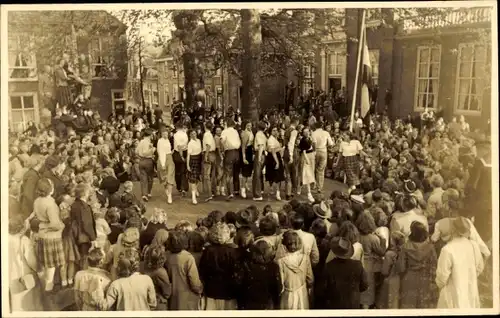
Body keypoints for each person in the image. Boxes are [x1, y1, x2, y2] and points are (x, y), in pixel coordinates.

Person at [436, 217, 484, 308]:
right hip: (470, 290)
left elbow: (441, 278)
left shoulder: (447, 249)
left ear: (453, 230)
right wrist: (469, 277)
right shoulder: (474, 245)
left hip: (452, 293)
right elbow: (480, 267)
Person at [30, 178, 66, 292]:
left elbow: (35, 215)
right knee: (51, 265)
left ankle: (45, 285)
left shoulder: (37, 201)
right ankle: (48, 288)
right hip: (52, 237)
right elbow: (55, 225)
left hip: (42, 236)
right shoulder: (51, 204)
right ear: (50, 189)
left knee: (45, 263)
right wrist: (62, 225)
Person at [316, 237, 368, 309]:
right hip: (353, 302)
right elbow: (364, 285)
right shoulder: (358, 265)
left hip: (335, 303)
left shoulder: (329, 266)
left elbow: (322, 289)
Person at [397, 221, 438, 309]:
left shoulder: (405, 247)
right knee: (423, 306)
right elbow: (434, 265)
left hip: (409, 279)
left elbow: (401, 267)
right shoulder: (430, 247)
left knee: (408, 306)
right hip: (425, 278)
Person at [8, 214, 44, 311]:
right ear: (21, 229)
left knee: (16, 306)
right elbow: (32, 262)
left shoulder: (6, 238)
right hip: (25, 279)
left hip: (11, 279)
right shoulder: (24, 240)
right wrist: (40, 271)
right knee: (29, 306)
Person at [199, 223, 239, 310]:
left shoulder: (208, 251)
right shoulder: (233, 251)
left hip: (212, 291)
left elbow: (202, 271)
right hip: (229, 292)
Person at [234, 240, 281, 310]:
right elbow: (276, 288)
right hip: (262, 302)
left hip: (251, 302)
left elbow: (238, 285)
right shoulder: (273, 266)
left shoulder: (245, 264)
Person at [165, 230, 203, 310]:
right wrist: (200, 289)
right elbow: (195, 282)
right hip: (188, 299)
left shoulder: (166, 256)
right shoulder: (188, 258)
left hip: (172, 297)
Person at [275, 231, 314, 310]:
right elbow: (310, 278)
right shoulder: (305, 258)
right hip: (302, 292)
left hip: (288, 293)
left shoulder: (281, 261)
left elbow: (281, 282)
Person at [70, 182, 97, 269]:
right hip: (84, 237)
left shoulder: (74, 204)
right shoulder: (84, 207)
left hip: (75, 235)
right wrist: (93, 239)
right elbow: (87, 224)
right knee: (85, 258)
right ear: (85, 193)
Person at [143, 245, 172, 310]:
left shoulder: (144, 267)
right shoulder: (161, 272)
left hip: (147, 301)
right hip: (159, 303)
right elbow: (167, 293)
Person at [220, 118, 241, 201]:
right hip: (237, 153)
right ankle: (236, 190)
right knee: (236, 172)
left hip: (229, 152)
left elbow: (222, 141)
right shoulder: (235, 131)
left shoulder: (225, 131)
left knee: (228, 173)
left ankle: (230, 193)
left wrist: (222, 150)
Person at [311, 122, 334, 194]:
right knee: (321, 170)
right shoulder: (326, 133)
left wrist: (314, 151)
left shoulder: (314, 133)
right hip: (323, 151)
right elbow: (331, 144)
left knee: (314, 168)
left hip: (316, 151)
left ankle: (314, 184)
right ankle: (319, 187)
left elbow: (313, 143)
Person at [265, 125, 286, 201]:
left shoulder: (276, 138)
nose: (275, 132)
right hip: (273, 157)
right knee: (275, 175)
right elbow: (273, 151)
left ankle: (277, 192)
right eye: (273, 130)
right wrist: (277, 162)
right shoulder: (271, 139)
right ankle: (274, 190)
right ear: (271, 132)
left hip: (277, 156)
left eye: (276, 130)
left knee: (278, 176)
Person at [135, 128, 155, 201]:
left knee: (143, 179)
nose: (153, 135)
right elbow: (145, 153)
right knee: (150, 178)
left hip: (141, 161)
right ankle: (148, 192)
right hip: (148, 161)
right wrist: (152, 149)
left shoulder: (141, 141)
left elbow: (136, 151)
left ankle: (144, 194)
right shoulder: (148, 143)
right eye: (152, 134)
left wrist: (140, 157)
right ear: (149, 135)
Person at [156, 126, 175, 204]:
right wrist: (163, 164)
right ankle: (166, 189)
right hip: (162, 159)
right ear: (161, 134)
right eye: (164, 133)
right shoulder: (160, 141)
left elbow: (167, 150)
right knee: (164, 177)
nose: (165, 135)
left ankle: (170, 195)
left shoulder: (168, 140)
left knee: (170, 177)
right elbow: (161, 153)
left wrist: (171, 152)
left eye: (166, 133)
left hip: (169, 158)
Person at [283, 118, 299, 200]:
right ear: (296, 122)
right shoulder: (294, 131)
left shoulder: (286, 130)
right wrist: (291, 155)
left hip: (285, 152)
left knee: (287, 172)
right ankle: (291, 192)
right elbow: (291, 143)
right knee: (293, 172)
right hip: (292, 152)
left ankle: (288, 192)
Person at [299, 126, 316, 202]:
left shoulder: (310, 138)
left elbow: (313, 147)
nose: (306, 133)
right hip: (306, 157)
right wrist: (307, 160)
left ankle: (300, 187)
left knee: (309, 174)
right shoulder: (303, 140)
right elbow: (303, 152)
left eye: (307, 131)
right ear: (303, 133)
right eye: (304, 132)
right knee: (307, 175)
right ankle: (309, 194)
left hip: (311, 156)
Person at [186, 129, 203, 205]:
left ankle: (196, 189)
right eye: (192, 134)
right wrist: (187, 165)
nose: (194, 135)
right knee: (193, 178)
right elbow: (188, 155)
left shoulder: (199, 141)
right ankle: (193, 197)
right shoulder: (190, 143)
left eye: (194, 133)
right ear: (190, 135)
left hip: (199, 160)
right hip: (193, 160)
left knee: (198, 177)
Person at [173, 122, 189, 196]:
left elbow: (178, 146)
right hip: (184, 152)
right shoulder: (185, 134)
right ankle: (183, 187)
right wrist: (183, 156)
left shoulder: (175, 135)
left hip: (177, 153)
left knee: (177, 171)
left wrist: (181, 155)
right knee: (183, 171)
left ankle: (179, 186)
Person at [252, 121, 267, 201]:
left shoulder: (258, 134)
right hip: (262, 153)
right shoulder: (263, 135)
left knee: (257, 174)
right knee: (259, 174)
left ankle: (257, 194)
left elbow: (261, 145)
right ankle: (260, 190)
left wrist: (259, 157)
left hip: (259, 153)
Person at [202, 121, 217, 202]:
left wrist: (206, 155)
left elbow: (208, 145)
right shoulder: (210, 134)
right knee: (212, 174)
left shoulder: (206, 134)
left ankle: (208, 194)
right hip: (213, 154)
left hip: (208, 153)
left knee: (206, 175)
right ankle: (213, 191)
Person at [240, 122, 254, 199]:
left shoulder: (251, 132)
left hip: (250, 151)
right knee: (245, 172)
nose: (249, 126)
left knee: (248, 172)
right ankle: (242, 189)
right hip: (246, 151)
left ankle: (245, 185)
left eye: (250, 125)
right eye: (248, 125)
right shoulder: (245, 133)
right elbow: (243, 146)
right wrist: (244, 157)